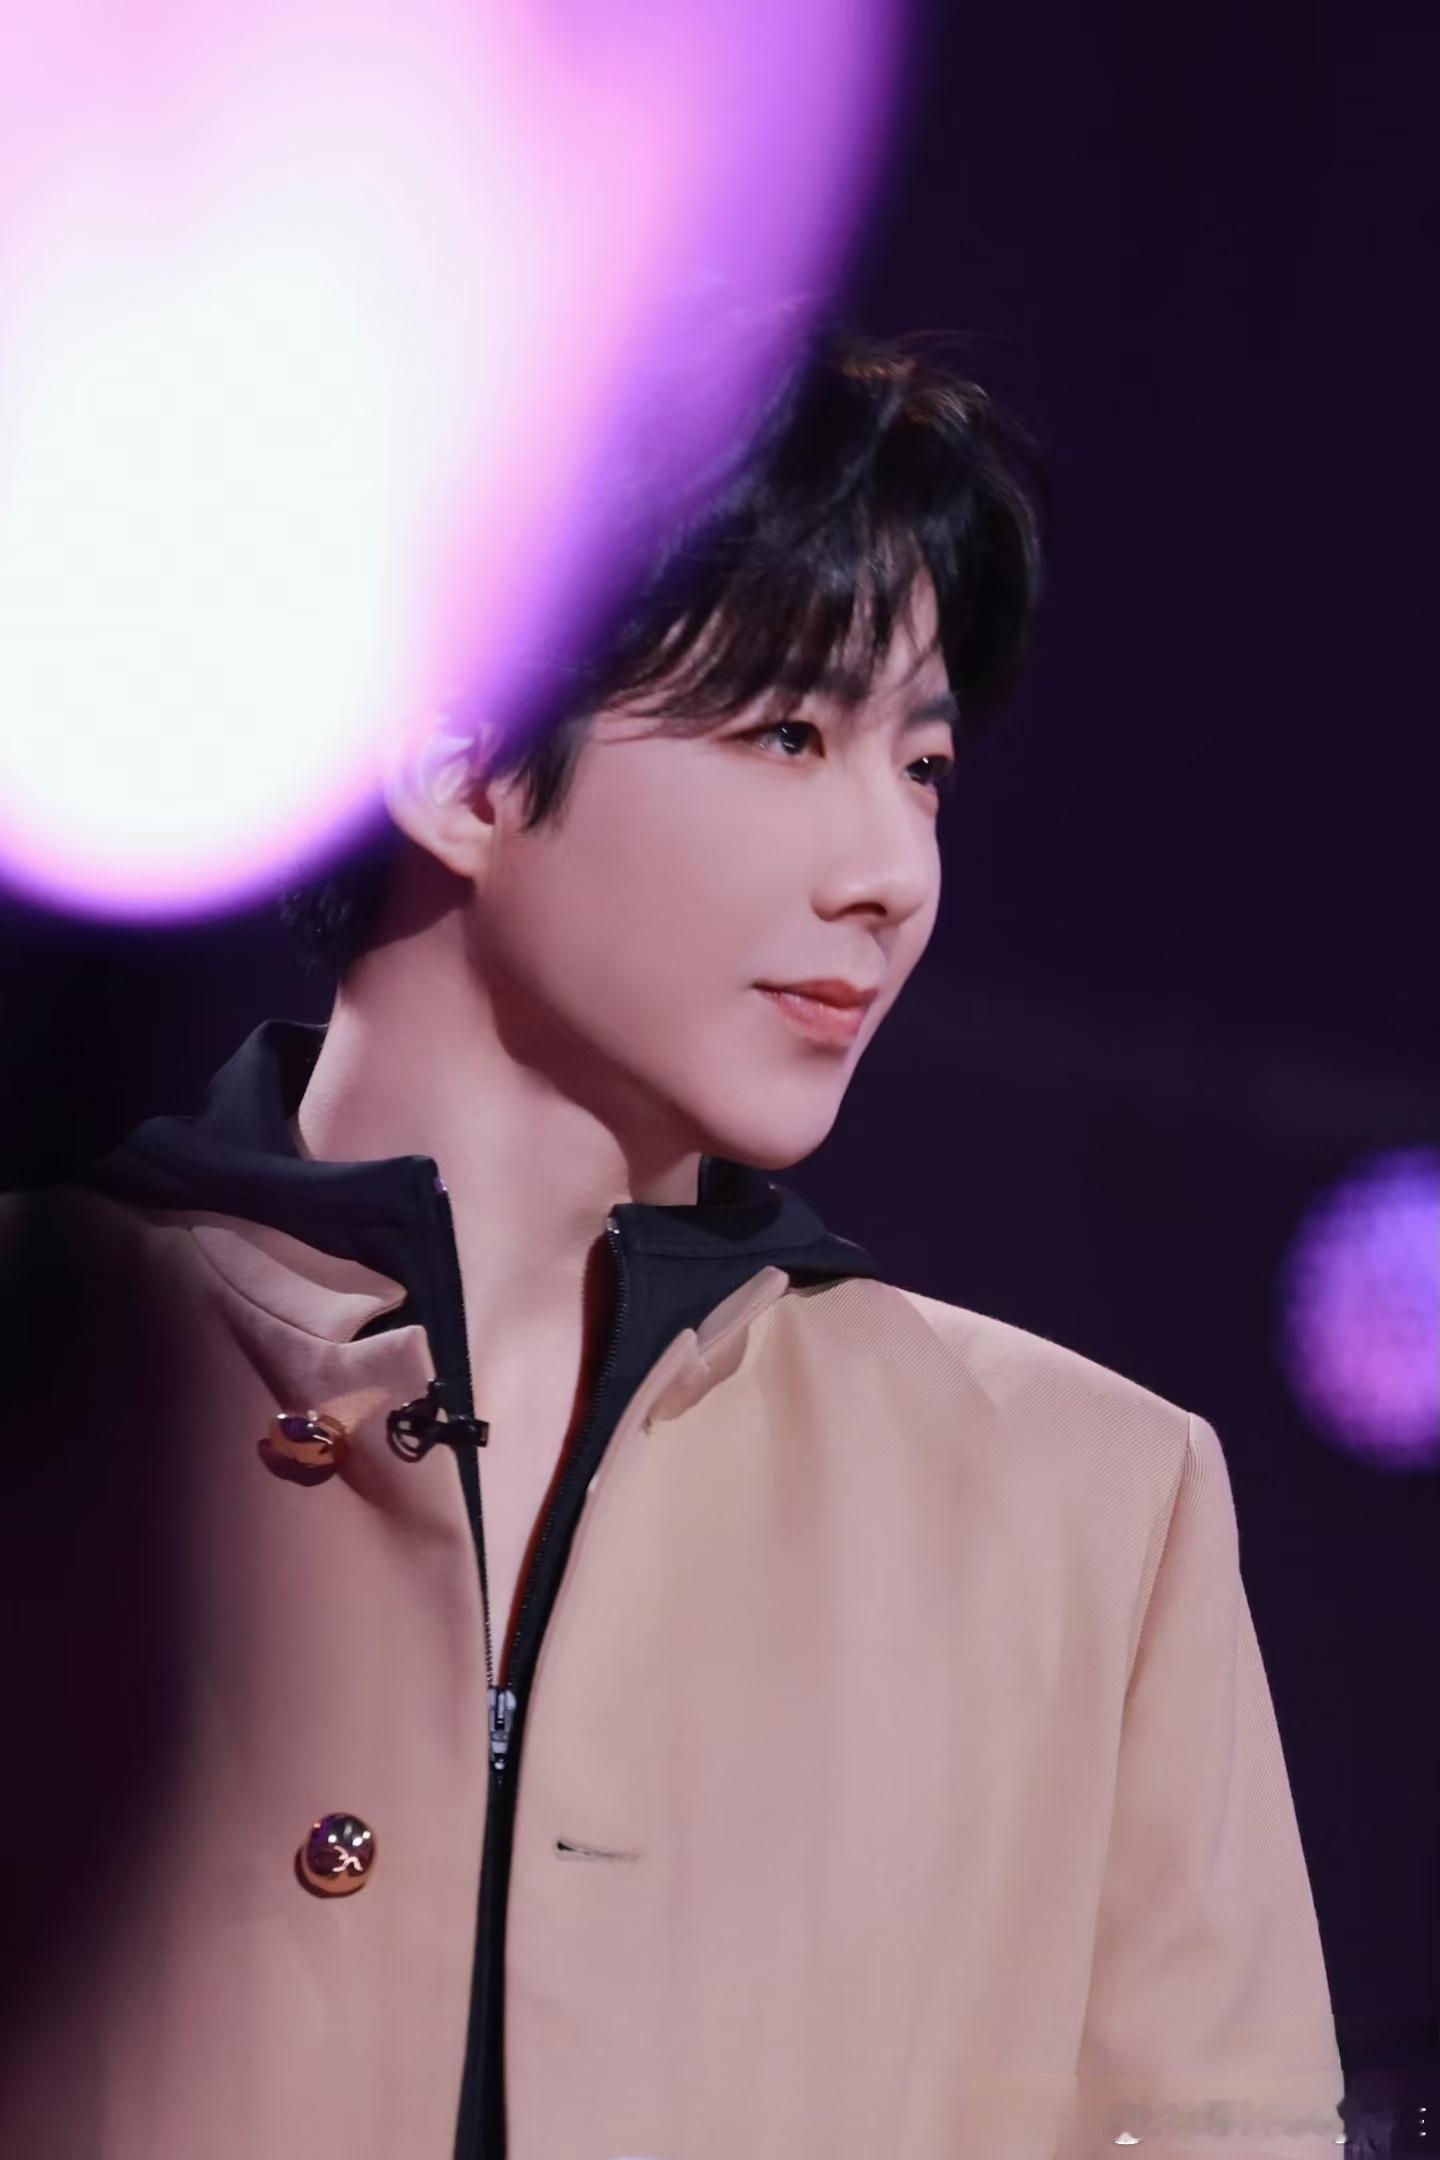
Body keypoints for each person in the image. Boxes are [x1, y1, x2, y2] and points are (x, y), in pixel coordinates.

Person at [0, 331, 1344, 2159]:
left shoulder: (1092, 1508)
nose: (894, 871)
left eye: (926, 765)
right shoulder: (44, 1377)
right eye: (790, 732)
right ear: (465, 760)